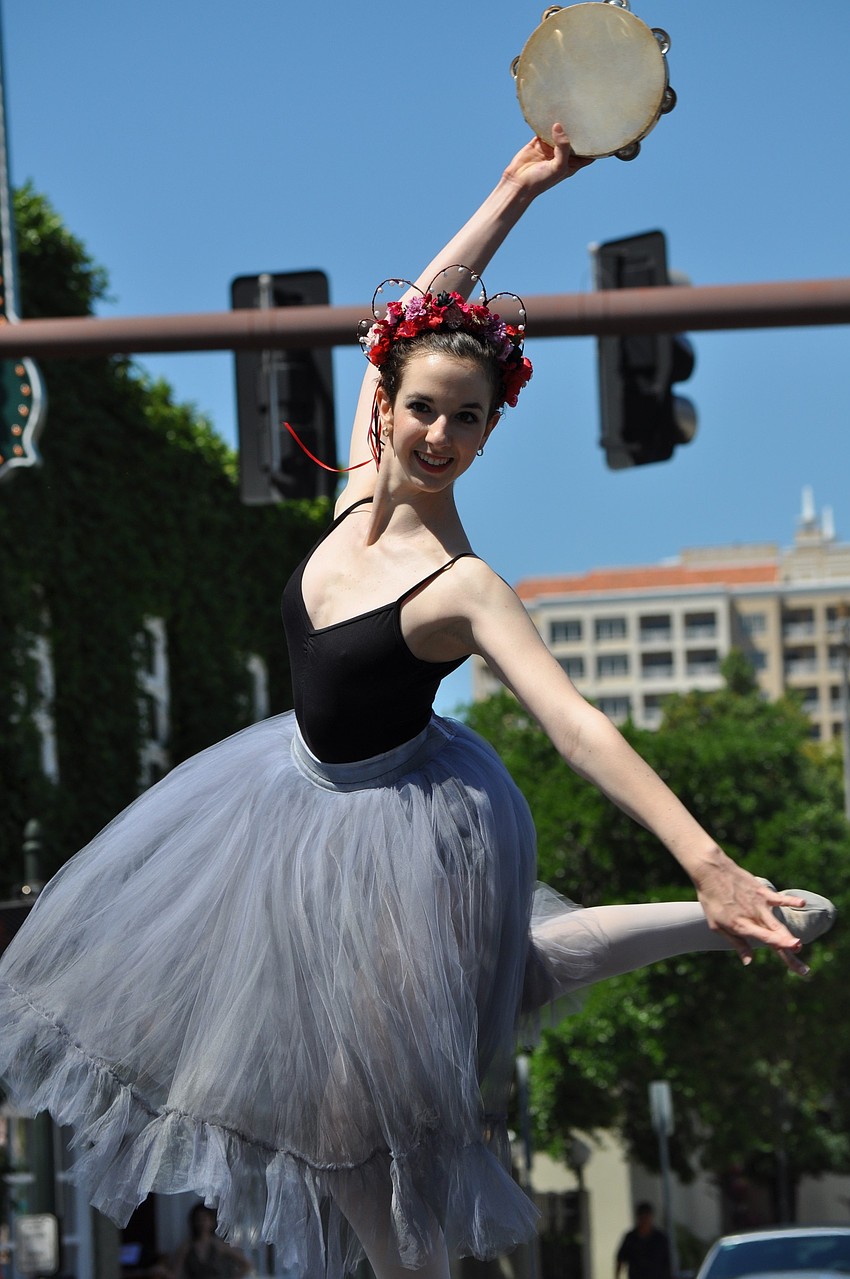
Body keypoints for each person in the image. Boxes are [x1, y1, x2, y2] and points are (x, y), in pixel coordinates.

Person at [0, 125, 835, 1279]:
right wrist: (515, 188)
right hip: (285, 805)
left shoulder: (463, 584)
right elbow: (418, 305)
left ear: (491, 432)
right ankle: (731, 917)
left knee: (369, 1104)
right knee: (510, 973)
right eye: (427, 408)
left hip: (406, 821)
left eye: (470, 419)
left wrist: (704, 854)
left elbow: (574, 723)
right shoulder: (352, 494)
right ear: (385, 402)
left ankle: (724, 902)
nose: (442, 435)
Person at [168, 1204, 251, 1279]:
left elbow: (246, 1264)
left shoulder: (219, 1245)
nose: (202, 1223)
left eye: (205, 1219)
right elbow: (175, 1273)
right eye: (198, 1219)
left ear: (211, 1222)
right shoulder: (187, 1247)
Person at [616, 1202, 672, 1279]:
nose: (645, 1221)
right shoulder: (631, 1238)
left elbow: (667, 1263)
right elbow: (620, 1258)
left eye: (647, 1217)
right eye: (642, 1217)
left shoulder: (660, 1238)